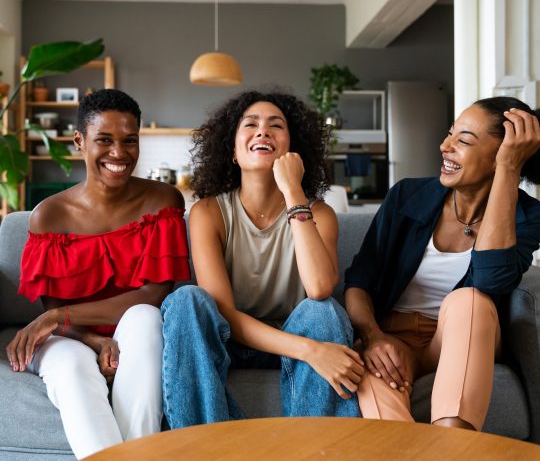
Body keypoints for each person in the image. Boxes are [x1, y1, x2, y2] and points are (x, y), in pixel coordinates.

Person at [161, 89, 364, 428]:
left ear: (293, 149)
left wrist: (293, 191)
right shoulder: (208, 212)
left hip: (296, 335)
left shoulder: (320, 214)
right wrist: (312, 352)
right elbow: (222, 312)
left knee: (324, 311)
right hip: (233, 342)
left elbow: (318, 287)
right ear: (233, 151)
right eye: (250, 124)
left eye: (276, 125)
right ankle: (207, 450)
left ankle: (315, 451)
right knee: (186, 301)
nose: (262, 131)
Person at [5, 89, 190, 459]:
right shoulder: (49, 215)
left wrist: (58, 315)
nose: (119, 153)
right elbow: (54, 311)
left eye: (129, 140)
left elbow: (154, 293)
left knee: (146, 317)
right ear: (79, 141)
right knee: (73, 365)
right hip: (69, 338)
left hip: (130, 330)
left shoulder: (163, 201)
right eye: (104, 140)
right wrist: (92, 340)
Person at [344, 97, 540, 430]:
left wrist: (509, 170)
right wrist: (374, 337)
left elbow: (492, 281)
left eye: (463, 140)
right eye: (450, 134)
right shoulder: (407, 195)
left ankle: (453, 442)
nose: (444, 146)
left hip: (462, 338)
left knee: (470, 300)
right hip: (392, 338)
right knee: (376, 374)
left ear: (502, 156)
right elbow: (359, 281)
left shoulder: (528, 217)